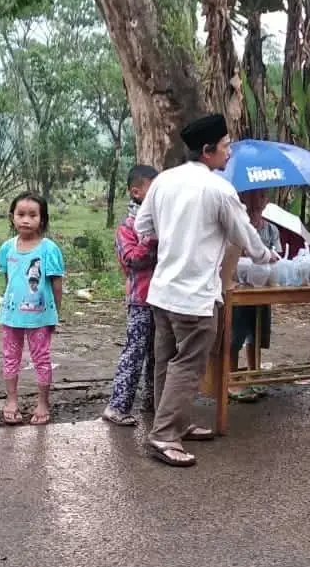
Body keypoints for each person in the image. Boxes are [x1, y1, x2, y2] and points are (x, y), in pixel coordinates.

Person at [135, 114, 278, 467]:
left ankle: (174, 423)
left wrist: (176, 235)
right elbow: (245, 235)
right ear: (207, 150)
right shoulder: (218, 190)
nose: (229, 153)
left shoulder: (165, 181)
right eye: (226, 146)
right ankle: (165, 435)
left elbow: (142, 226)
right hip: (194, 295)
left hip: (163, 291)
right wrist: (265, 256)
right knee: (188, 365)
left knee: (167, 361)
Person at [0, 193, 64, 426]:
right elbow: (8, 280)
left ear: (42, 219)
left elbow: (56, 284)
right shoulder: (7, 248)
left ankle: (43, 402)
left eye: (32, 215)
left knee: (41, 359)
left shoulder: (49, 249)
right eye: (20, 214)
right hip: (11, 316)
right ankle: (11, 400)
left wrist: (55, 314)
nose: (26, 220)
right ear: (12, 217)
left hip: (40, 317)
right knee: (10, 357)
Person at [104, 165, 160, 426]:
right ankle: (117, 406)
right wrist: (150, 239)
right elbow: (130, 260)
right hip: (141, 299)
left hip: (162, 298)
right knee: (135, 352)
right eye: (153, 189)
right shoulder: (128, 227)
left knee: (158, 353)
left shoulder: (162, 222)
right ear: (136, 192)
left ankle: (152, 402)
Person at [229, 188, 281, 403]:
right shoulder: (238, 227)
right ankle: (231, 378)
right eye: (253, 196)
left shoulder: (271, 229)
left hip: (263, 287)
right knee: (235, 333)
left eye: (262, 196)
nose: (257, 201)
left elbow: (278, 254)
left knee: (257, 331)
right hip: (239, 287)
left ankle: (253, 373)